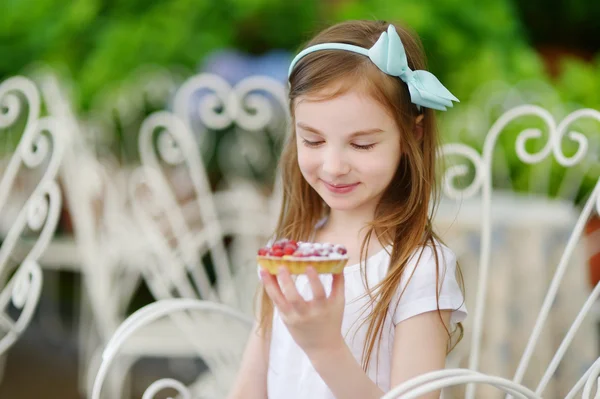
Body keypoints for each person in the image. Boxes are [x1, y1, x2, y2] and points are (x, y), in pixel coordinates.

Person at [227, 19, 467, 399]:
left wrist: (325, 349)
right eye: (313, 139)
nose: (334, 165)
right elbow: (250, 384)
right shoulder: (291, 246)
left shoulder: (419, 270)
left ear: (412, 135)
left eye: (362, 145)